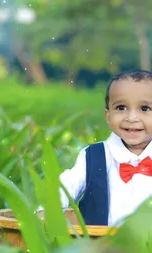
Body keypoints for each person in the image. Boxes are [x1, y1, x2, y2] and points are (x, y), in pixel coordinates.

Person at [60, 70, 152, 226]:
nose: (131, 118)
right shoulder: (93, 156)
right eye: (121, 107)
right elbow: (64, 187)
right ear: (108, 116)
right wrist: (46, 211)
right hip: (99, 244)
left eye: (144, 109)